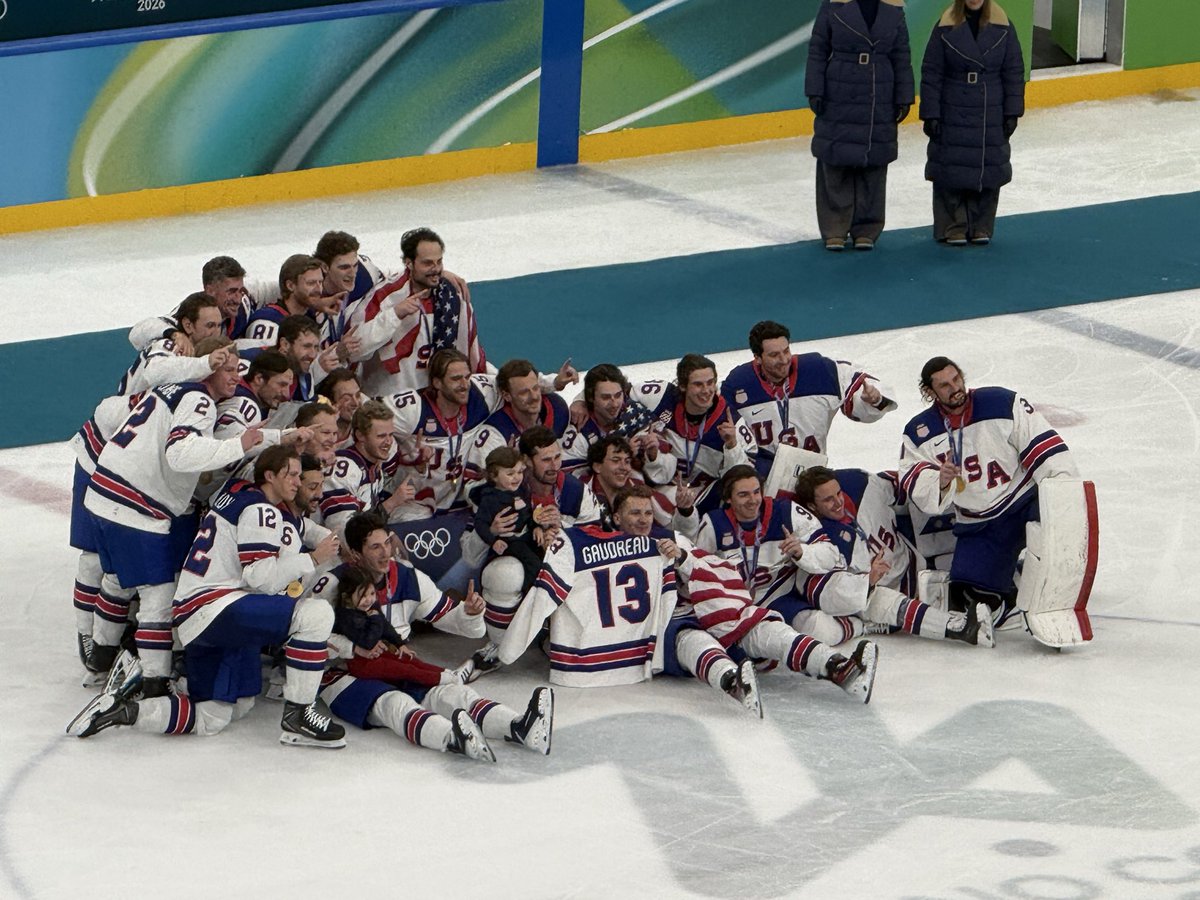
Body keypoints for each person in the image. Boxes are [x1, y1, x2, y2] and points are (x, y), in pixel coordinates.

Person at [68, 446, 346, 748]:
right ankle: (299, 716)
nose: (296, 481)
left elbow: (303, 529)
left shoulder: (239, 493)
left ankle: (124, 710)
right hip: (218, 607)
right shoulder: (261, 511)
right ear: (269, 476)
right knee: (315, 614)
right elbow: (261, 579)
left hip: (199, 615)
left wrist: (336, 540)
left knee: (218, 714)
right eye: (290, 475)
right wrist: (313, 559)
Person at [82, 350, 266, 691]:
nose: (235, 378)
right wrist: (238, 446)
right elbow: (180, 455)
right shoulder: (200, 401)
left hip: (102, 493)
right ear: (207, 369)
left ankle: (100, 657)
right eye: (226, 369)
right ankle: (154, 681)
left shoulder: (168, 386)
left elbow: (114, 411)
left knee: (117, 578)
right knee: (159, 595)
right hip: (135, 504)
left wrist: (278, 437)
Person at [312, 513, 553, 758]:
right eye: (375, 547)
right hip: (344, 672)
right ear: (355, 554)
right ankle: (452, 738)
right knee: (393, 703)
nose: (386, 553)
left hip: (394, 663)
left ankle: (520, 726)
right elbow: (305, 638)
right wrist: (352, 649)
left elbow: (459, 623)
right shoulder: (331, 583)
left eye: (387, 543)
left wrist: (469, 613)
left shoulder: (408, 577)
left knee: (454, 694)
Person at [617, 486, 879, 706]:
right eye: (635, 513)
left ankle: (838, 667)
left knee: (766, 628)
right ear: (617, 518)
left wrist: (682, 558)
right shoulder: (604, 551)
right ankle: (732, 682)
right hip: (665, 625)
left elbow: (707, 566)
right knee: (693, 640)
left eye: (648, 512)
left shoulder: (670, 538)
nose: (644, 520)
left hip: (704, 608)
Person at [899, 356, 1077, 623]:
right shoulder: (918, 432)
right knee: (969, 596)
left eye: (956, 379)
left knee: (1057, 538)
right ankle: (1016, 574)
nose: (955, 388)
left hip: (1025, 501)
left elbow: (1045, 449)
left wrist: (1065, 492)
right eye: (945, 385)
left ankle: (1042, 575)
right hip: (980, 523)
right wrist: (942, 481)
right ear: (929, 392)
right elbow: (917, 483)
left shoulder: (1001, 403)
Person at [793, 465, 994, 649]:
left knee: (973, 536)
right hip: (899, 593)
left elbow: (907, 485)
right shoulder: (820, 542)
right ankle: (955, 626)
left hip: (918, 554)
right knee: (875, 601)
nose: (838, 502)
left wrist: (939, 484)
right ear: (811, 507)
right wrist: (867, 580)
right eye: (828, 500)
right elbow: (828, 593)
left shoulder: (860, 485)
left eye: (838, 493)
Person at [806, 0, 914, 250]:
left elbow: (901, 54)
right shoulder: (834, 4)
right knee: (835, 159)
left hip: (880, 90)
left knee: (874, 161)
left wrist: (904, 96)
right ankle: (835, 228)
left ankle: (867, 228)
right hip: (839, 88)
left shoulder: (894, 7)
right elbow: (818, 48)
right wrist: (815, 89)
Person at [720, 320, 895, 473]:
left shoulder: (819, 370)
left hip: (813, 476)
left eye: (786, 351)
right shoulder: (737, 384)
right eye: (774, 355)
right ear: (757, 357)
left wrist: (873, 399)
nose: (783, 359)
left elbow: (860, 386)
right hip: (762, 478)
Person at [919, 0, 1025, 244]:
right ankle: (952, 226)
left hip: (991, 108)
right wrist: (931, 113)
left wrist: (1012, 111)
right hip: (953, 107)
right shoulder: (944, 27)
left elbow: (1013, 72)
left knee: (988, 167)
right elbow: (932, 72)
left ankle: (981, 225)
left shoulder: (1004, 27)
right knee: (951, 168)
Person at [350, 227, 485, 397]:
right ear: (408, 262)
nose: (436, 269)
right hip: (390, 402)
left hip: (437, 401)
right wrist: (395, 314)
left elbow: (468, 348)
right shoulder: (384, 297)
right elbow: (354, 350)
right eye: (427, 263)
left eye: (439, 262)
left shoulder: (451, 296)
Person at [633, 354, 756, 513]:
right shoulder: (661, 395)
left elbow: (747, 476)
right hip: (663, 485)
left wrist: (732, 445)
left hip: (706, 497)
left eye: (710, 383)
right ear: (683, 386)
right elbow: (621, 391)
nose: (706, 391)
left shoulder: (731, 422)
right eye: (698, 384)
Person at [560, 363, 673, 484]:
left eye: (618, 395)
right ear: (591, 398)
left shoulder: (637, 415)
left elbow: (666, 474)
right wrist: (619, 458)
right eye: (605, 397)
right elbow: (566, 480)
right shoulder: (578, 429)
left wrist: (653, 456)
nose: (614, 404)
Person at [320, 400, 414, 537]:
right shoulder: (343, 469)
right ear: (360, 436)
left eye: (391, 435)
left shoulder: (375, 469)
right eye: (381, 436)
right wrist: (391, 503)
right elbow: (345, 533)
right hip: (334, 553)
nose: (389, 442)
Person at [466, 357, 577, 472]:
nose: (534, 397)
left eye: (535, 388)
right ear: (507, 396)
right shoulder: (494, 435)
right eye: (524, 392)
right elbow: (474, 485)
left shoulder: (558, 411)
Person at [127, 256, 256, 351]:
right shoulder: (190, 314)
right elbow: (136, 334)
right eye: (231, 292)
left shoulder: (243, 301)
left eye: (241, 291)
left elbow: (272, 288)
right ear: (210, 290)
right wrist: (175, 334)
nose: (238, 299)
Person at [470, 447, 547, 593]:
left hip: (526, 535)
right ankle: (528, 597)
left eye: (519, 472)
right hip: (508, 542)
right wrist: (493, 540)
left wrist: (536, 526)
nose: (517, 477)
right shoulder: (489, 499)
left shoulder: (523, 489)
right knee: (533, 564)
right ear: (494, 476)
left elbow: (527, 513)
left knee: (546, 554)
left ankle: (550, 594)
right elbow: (480, 524)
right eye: (510, 474)